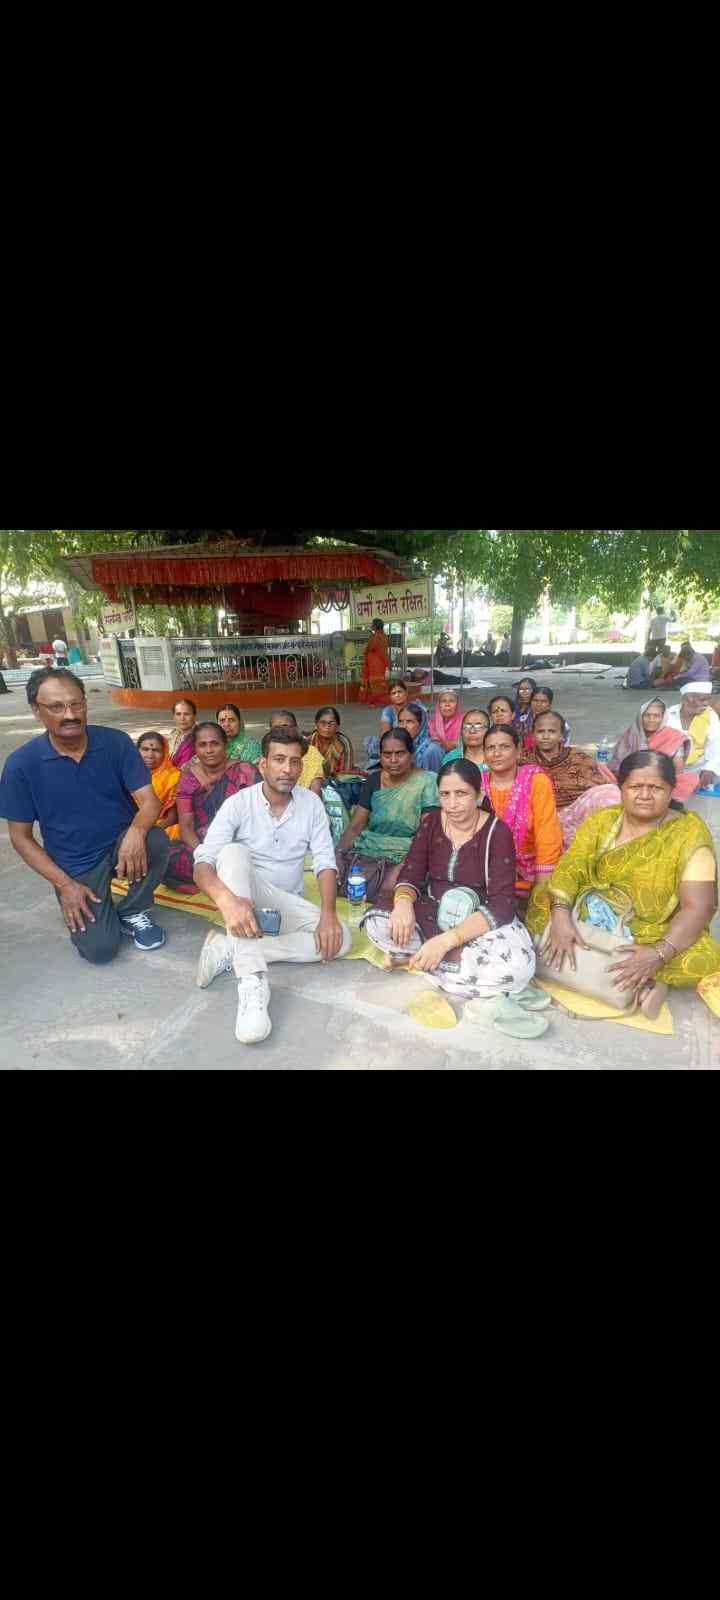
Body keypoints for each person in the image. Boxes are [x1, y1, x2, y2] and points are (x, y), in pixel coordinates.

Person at [527, 751, 720, 1018]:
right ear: (621, 788)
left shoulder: (688, 835)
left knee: (705, 956)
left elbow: (698, 907)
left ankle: (638, 971)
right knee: (540, 901)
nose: (644, 795)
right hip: (589, 908)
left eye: (655, 788)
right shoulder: (603, 820)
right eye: (635, 787)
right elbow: (572, 866)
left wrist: (657, 954)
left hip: (649, 929)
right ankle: (637, 982)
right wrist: (560, 916)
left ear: (671, 790)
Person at [192, 726, 350, 1044]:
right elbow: (202, 864)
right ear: (263, 764)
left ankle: (230, 948)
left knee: (341, 939)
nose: (287, 769)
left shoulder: (311, 805)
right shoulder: (239, 803)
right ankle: (252, 981)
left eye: (294, 762)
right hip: (247, 901)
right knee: (232, 853)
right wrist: (227, 900)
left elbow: (324, 862)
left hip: (284, 906)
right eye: (278, 759)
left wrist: (329, 913)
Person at [0, 668, 169, 961]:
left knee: (156, 840)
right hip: (76, 865)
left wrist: (137, 831)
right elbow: (20, 838)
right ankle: (95, 908)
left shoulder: (115, 743)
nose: (70, 714)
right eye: (56, 707)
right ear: (36, 711)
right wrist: (64, 884)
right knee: (101, 950)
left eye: (76, 704)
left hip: (122, 847)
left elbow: (150, 802)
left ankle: (131, 910)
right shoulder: (20, 765)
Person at [362, 761, 536, 998]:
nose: (452, 804)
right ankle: (438, 963)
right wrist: (403, 905)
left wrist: (446, 942)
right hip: (434, 909)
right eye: (445, 795)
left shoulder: (498, 833)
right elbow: (411, 873)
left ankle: (415, 961)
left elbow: (502, 905)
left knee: (517, 968)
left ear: (479, 795)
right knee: (377, 923)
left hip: (479, 921)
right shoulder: (431, 823)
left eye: (461, 793)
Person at [336, 728, 439, 899]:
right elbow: (355, 828)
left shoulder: (427, 782)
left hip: (408, 856)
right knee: (336, 881)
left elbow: (427, 835)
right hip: (369, 853)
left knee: (392, 893)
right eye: (387, 754)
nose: (393, 760)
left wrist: (402, 869)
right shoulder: (373, 780)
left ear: (411, 755)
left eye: (400, 754)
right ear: (380, 756)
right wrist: (338, 854)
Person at [165, 724, 259, 891]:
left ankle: (215, 878)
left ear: (225, 745)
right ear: (195, 748)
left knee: (242, 861)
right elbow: (186, 828)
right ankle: (219, 875)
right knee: (164, 858)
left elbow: (259, 817)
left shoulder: (244, 771)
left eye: (214, 743)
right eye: (202, 745)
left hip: (241, 843)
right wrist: (205, 857)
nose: (209, 750)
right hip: (203, 845)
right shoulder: (188, 778)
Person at [481, 725, 562, 901]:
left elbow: (547, 832)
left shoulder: (535, 780)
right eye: (490, 748)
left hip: (531, 870)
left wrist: (542, 885)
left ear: (518, 751)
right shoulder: (477, 783)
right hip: (486, 868)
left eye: (504, 747)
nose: (496, 753)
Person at [527, 712, 621, 847]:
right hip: (539, 817)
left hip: (575, 813)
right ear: (533, 734)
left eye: (552, 731)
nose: (546, 736)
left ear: (561, 736)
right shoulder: (522, 759)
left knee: (611, 792)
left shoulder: (579, 757)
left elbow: (599, 786)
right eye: (541, 731)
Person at [610, 698, 701, 803]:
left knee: (689, 780)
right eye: (647, 715)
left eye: (656, 716)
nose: (651, 719)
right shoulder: (632, 734)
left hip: (658, 781)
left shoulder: (673, 737)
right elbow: (618, 763)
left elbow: (678, 771)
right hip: (632, 779)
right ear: (640, 716)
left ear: (663, 718)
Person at [665, 684, 720, 790]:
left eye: (708, 699)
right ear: (686, 700)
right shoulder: (668, 715)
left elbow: (716, 744)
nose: (706, 704)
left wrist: (710, 769)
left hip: (700, 766)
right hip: (671, 766)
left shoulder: (710, 716)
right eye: (702, 700)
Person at [136, 731, 182, 838]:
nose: (150, 755)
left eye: (156, 750)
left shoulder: (174, 777)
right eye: (145, 749)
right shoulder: (129, 773)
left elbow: (173, 817)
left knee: (175, 831)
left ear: (165, 752)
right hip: (131, 822)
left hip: (160, 825)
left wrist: (149, 832)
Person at [268, 711, 325, 793]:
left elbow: (316, 787)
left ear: (296, 728)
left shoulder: (311, 752)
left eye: (285, 726)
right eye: (276, 727)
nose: (281, 731)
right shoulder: (267, 751)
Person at [397, 702, 444, 773]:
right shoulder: (401, 746)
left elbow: (437, 779)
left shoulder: (432, 750)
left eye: (409, 721)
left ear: (421, 724)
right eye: (400, 721)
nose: (404, 726)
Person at [308, 705, 355, 775]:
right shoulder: (308, 741)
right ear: (316, 724)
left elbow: (346, 772)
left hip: (337, 781)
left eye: (331, 723)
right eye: (323, 723)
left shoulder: (344, 743)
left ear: (338, 727)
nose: (327, 727)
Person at [361, 618, 391, 703]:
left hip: (375, 662)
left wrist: (365, 651)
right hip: (379, 662)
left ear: (375, 626)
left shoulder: (376, 636)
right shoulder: (384, 636)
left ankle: (377, 701)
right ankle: (378, 700)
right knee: (378, 681)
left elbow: (371, 647)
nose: (371, 626)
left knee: (375, 681)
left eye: (372, 624)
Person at [168, 698, 198, 768]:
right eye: (178, 714)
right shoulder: (173, 734)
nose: (182, 718)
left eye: (187, 714)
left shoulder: (201, 736)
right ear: (174, 717)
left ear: (194, 716)